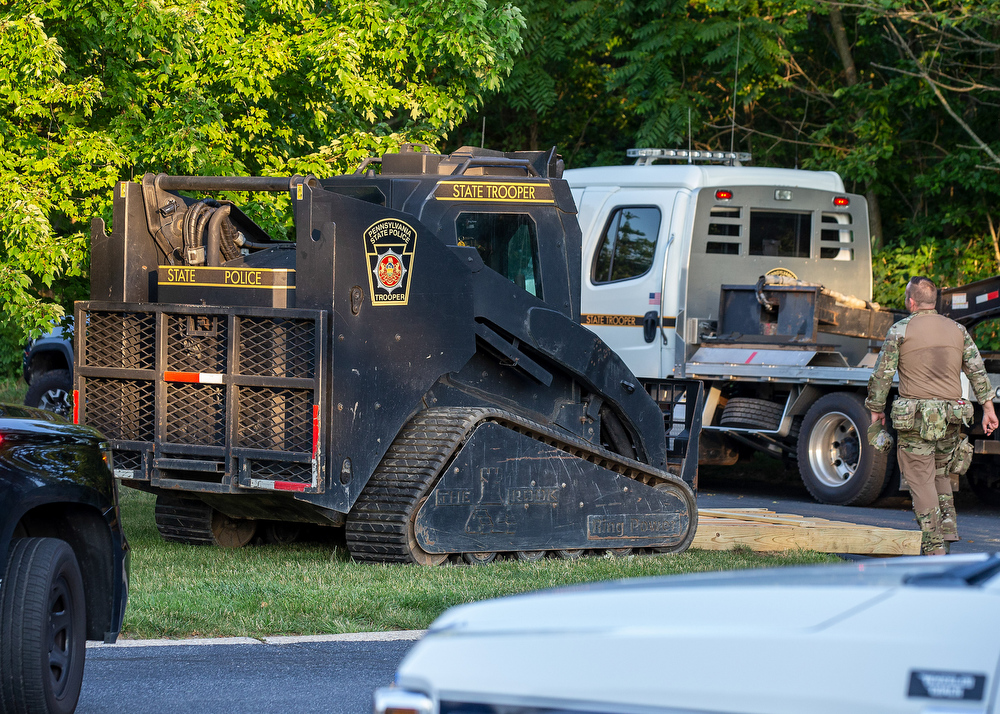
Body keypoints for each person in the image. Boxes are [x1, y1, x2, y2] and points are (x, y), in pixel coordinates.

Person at [866, 276, 998, 555]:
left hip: (916, 420)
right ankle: (947, 531)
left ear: (911, 301)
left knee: (920, 479)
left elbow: (882, 375)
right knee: (940, 473)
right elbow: (977, 370)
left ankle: (934, 547)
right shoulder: (958, 330)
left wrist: (876, 410)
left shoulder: (900, 330)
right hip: (951, 419)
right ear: (933, 301)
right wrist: (988, 409)